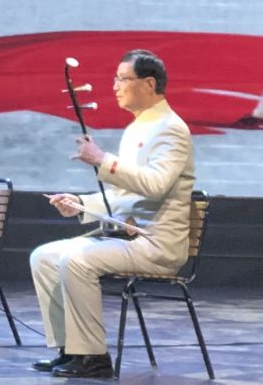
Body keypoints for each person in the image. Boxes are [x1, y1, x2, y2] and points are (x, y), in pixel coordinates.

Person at [30, 49, 195, 381]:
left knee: (77, 260)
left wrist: (103, 159)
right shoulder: (138, 128)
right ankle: (71, 349)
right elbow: (123, 196)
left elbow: (156, 185)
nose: (115, 86)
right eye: (115, 79)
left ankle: (94, 357)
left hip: (155, 243)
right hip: (130, 236)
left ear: (149, 84)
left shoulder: (171, 128)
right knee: (44, 256)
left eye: (123, 79)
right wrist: (80, 203)